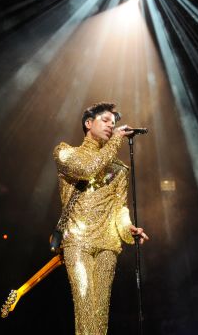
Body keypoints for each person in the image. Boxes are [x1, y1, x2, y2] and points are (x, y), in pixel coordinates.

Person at [53, 101, 150, 334]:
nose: (111, 126)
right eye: (105, 120)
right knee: (85, 304)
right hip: (77, 242)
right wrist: (117, 140)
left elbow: (119, 208)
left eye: (114, 123)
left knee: (99, 313)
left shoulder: (119, 169)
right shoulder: (66, 152)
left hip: (108, 245)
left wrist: (129, 230)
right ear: (88, 123)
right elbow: (88, 169)